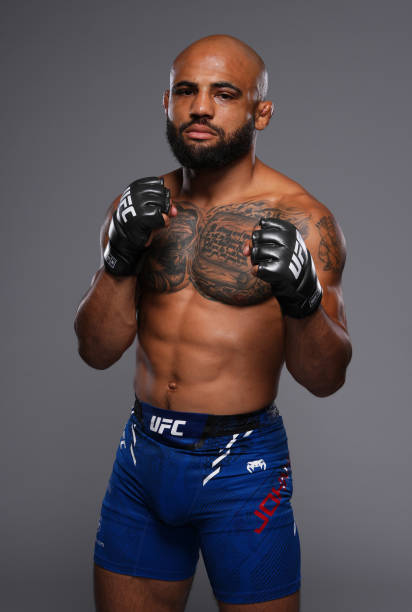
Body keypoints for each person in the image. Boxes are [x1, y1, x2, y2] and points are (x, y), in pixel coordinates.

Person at [74, 34, 352, 612]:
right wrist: (118, 258)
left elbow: (326, 378)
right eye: (186, 91)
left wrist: (303, 299)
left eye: (224, 94)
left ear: (260, 112)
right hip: (142, 458)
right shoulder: (137, 207)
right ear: (167, 103)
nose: (200, 107)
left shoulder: (303, 220)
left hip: (243, 468)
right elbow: (96, 351)